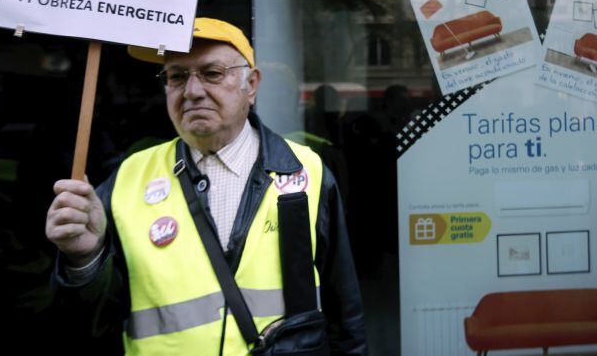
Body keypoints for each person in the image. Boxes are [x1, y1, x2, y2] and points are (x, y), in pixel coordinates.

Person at [45, 18, 367, 355]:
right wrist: (84, 260)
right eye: (177, 76)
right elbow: (88, 323)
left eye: (212, 73)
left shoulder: (306, 172)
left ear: (252, 85)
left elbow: (344, 315)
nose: (193, 91)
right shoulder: (129, 178)